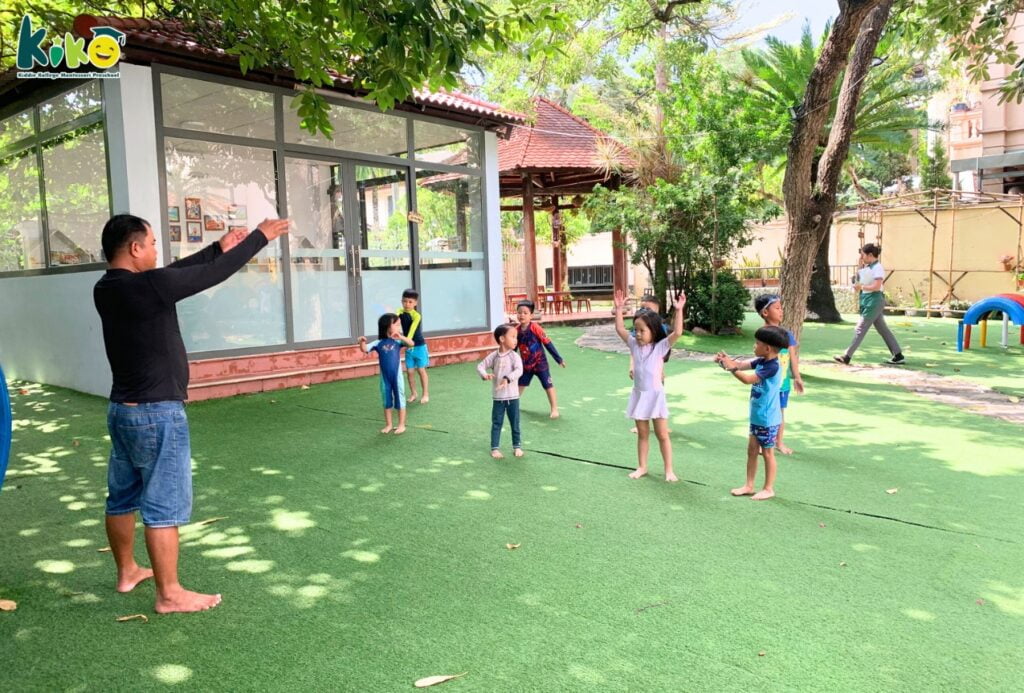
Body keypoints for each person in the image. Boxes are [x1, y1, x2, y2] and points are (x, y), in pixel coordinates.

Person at [93, 213, 289, 614]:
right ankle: (169, 594)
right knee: (163, 505)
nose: (155, 251)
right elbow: (207, 277)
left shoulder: (108, 287)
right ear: (135, 248)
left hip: (122, 412)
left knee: (122, 497)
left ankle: (127, 571)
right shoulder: (148, 286)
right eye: (151, 244)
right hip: (157, 414)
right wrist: (259, 238)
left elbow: (173, 275)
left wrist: (217, 247)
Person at [612, 289, 686, 482]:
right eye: (636, 330)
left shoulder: (660, 347)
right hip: (639, 395)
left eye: (642, 330)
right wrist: (619, 309)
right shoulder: (633, 344)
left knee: (662, 435)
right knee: (643, 434)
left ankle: (669, 470)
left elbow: (678, 332)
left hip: (655, 396)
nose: (637, 334)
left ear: (653, 330)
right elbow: (620, 329)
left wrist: (679, 310)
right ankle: (642, 467)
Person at [714, 325, 791, 501]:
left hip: (768, 419)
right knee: (752, 451)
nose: (754, 346)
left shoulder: (772, 366)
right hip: (757, 416)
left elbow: (748, 379)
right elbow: (741, 365)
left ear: (767, 348)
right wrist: (725, 361)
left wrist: (731, 369)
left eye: (757, 343)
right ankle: (749, 485)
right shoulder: (762, 361)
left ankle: (768, 489)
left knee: (768, 453)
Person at [834, 243, 905, 365]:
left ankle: (847, 356)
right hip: (869, 300)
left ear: (870, 255)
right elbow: (857, 279)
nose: (861, 257)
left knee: (860, 328)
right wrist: (859, 265)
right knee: (883, 329)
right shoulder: (868, 267)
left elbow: (876, 286)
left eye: (863, 255)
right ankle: (898, 355)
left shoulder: (877, 268)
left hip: (874, 301)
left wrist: (861, 287)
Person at [754, 295, 804, 455]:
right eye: (777, 308)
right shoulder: (762, 333)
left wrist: (797, 377)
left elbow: (793, 356)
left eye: (781, 308)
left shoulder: (786, 334)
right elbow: (757, 356)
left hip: (782, 383)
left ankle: (779, 442)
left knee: (779, 412)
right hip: (766, 382)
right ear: (765, 312)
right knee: (763, 411)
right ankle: (761, 442)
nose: (781, 311)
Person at [359, 314, 416, 435]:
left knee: (400, 399)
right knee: (386, 400)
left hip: (397, 378)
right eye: (397, 325)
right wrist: (361, 342)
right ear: (387, 326)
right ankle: (389, 424)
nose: (399, 327)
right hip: (385, 379)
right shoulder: (378, 343)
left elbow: (411, 343)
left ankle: (401, 425)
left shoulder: (398, 341)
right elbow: (365, 349)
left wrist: (401, 336)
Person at [477, 324, 524, 459]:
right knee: (497, 423)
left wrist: (507, 378)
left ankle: (517, 446)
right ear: (502, 339)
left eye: (516, 337)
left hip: (513, 397)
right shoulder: (494, 356)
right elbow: (480, 366)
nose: (515, 340)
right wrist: (485, 375)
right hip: (498, 398)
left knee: (515, 423)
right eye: (512, 337)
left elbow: (519, 370)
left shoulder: (514, 356)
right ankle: (495, 448)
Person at [514, 300, 566, 418]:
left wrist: (558, 359)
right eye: (519, 312)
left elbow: (548, 343)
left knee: (548, 385)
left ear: (531, 315)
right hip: (526, 365)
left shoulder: (535, 328)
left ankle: (554, 408)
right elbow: (513, 348)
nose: (522, 315)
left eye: (525, 313)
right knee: (520, 385)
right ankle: (514, 405)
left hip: (540, 364)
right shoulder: (516, 331)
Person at [628, 294, 671, 434]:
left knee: (657, 396)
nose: (644, 311)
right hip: (642, 373)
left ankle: (661, 423)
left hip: (655, 373)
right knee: (643, 393)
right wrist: (632, 365)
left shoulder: (661, 328)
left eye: (648, 309)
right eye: (642, 308)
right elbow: (634, 350)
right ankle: (641, 419)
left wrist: (661, 370)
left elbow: (661, 353)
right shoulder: (638, 329)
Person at [397, 288, 430, 403]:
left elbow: (411, 331)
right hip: (408, 346)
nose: (407, 304)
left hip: (419, 346)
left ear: (415, 303)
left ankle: (425, 394)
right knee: (410, 372)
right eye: (405, 301)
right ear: (401, 301)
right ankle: (414, 393)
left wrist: (406, 341)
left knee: (421, 370)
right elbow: (393, 320)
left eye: (410, 302)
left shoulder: (416, 316)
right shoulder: (399, 312)